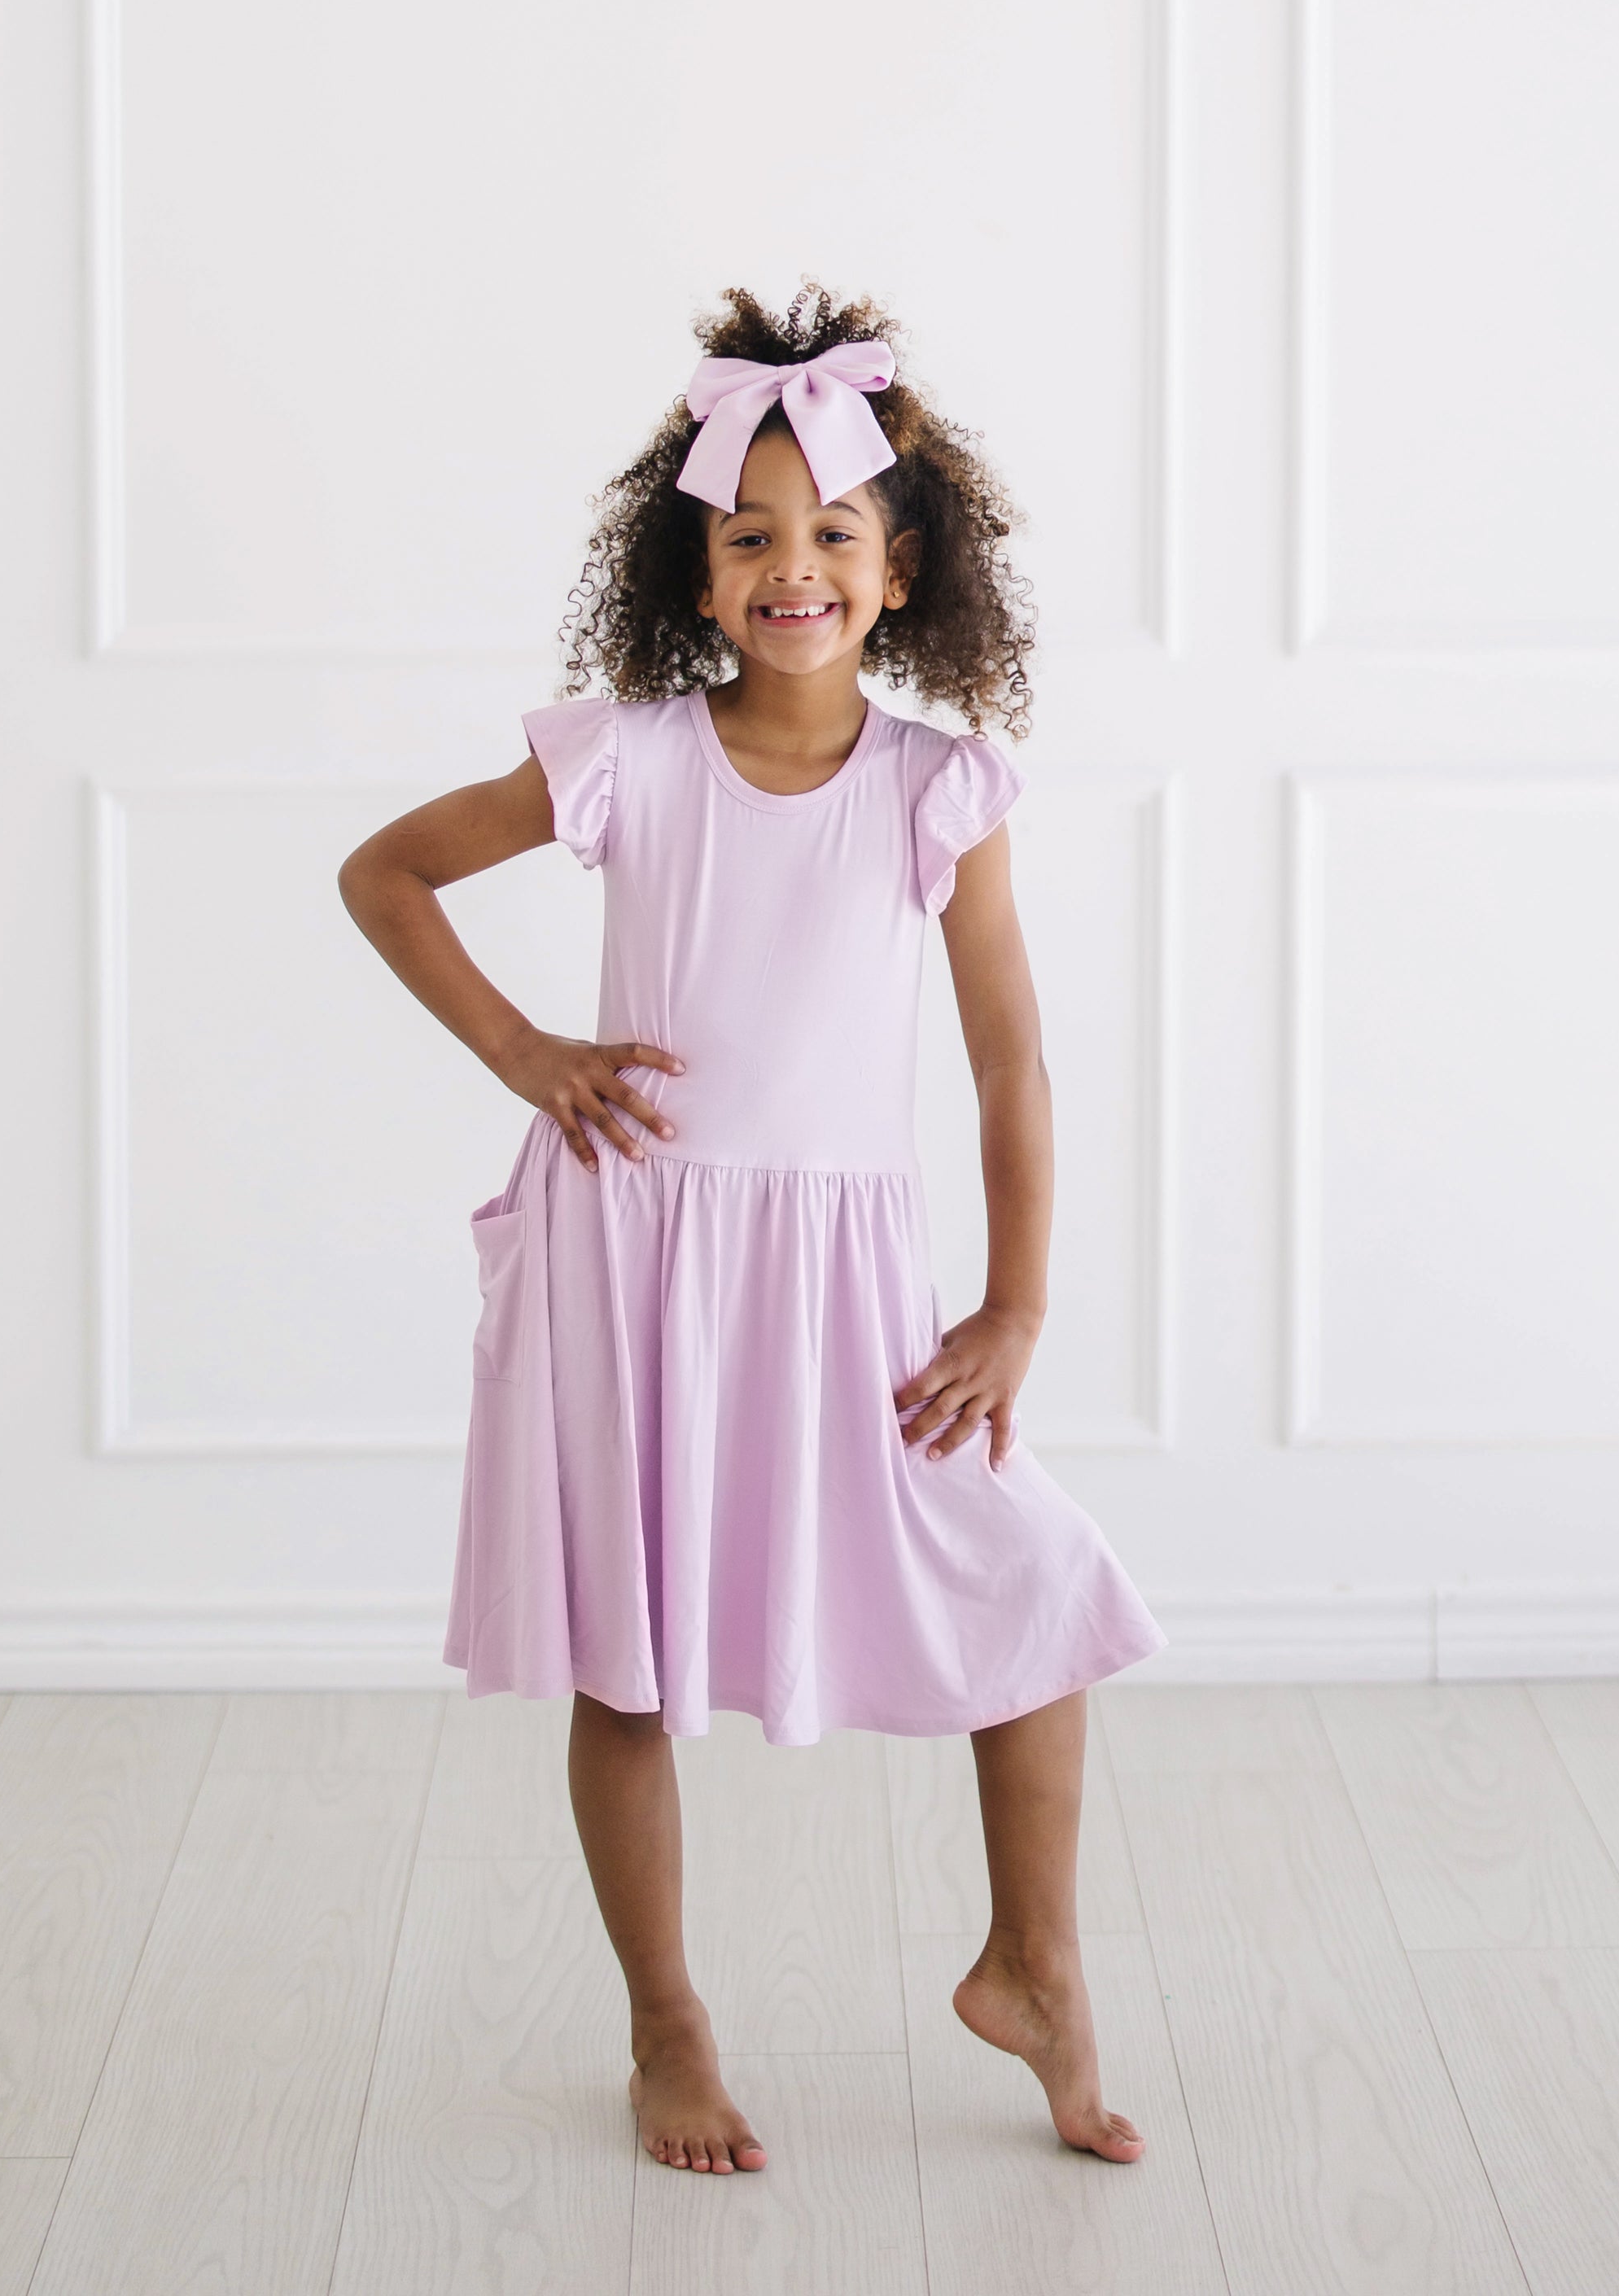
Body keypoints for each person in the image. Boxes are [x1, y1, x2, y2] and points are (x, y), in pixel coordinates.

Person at [339, 285, 1167, 2178]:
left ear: (901, 568)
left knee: (1034, 1590)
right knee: (629, 1663)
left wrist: (1018, 1309)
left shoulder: (938, 791)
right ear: (697, 575)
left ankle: (1033, 1962)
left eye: (832, 533)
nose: (792, 566)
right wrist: (526, 1049)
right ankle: (665, 2018)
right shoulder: (623, 759)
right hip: (633, 1267)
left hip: (842, 1283)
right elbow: (384, 874)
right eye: (751, 536)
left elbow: (1012, 1064)